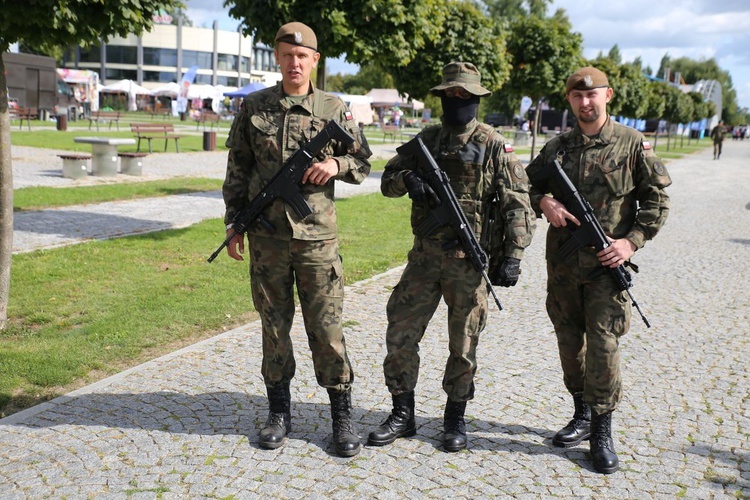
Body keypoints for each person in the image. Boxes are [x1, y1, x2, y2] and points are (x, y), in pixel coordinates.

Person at [221, 21, 372, 457]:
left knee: (326, 330)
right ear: (277, 57)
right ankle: (278, 412)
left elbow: (362, 163)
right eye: (287, 55)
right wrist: (234, 222)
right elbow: (238, 171)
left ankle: (341, 416)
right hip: (267, 237)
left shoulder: (333, 107)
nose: (294, 62)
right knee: (274, 327)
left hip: (317, 240)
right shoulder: (254, 106)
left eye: (302, 56)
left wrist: (337, 166)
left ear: (315, 61)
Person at [368, 62, 535, 452]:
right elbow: (387, 182)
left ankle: (455, 418)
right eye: (451, 94)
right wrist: (408, 179)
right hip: (424, 259)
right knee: (400, 334)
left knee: (464, 345)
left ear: (476, 98)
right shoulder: (426, 140)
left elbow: (517, 203)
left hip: (468, 264)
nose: (457, 100)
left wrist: (514, 253)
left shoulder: (494, 144)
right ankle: (402, 413)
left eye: (465, 95)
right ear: (442, 96)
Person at [525, 66, 672, 474]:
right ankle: (582, 413)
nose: (585, 103)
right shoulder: (557, 147)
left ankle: (602, 428)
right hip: (563, 268)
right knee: (570, 346)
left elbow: (656, 203)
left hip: (607, 270)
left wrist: (630, 243)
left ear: (608, 96)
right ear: (569, 101)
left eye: (593, 95)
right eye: (577, 96)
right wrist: (544, 203)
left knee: (603, 348)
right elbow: (524, 184)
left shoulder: (632, 144)